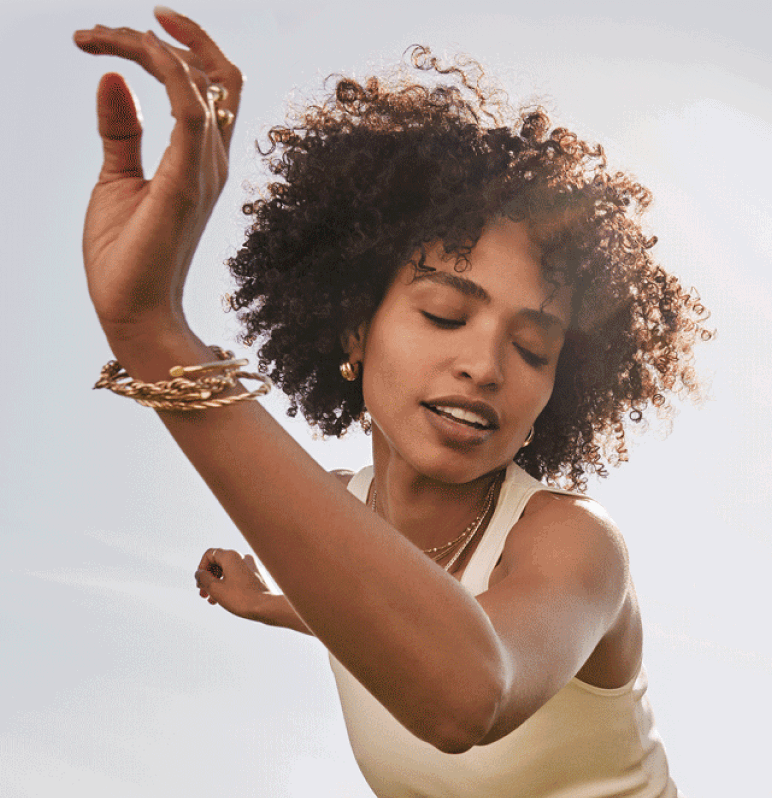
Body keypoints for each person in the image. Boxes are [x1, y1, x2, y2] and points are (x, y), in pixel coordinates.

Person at [74, 8, 709, 797]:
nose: (484, 365)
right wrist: (271, 604)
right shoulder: (341, 512)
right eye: (445, 313)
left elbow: (469, 692)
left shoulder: (576, 547)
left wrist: (151, 332)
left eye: (533, 348)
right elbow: (371, 621)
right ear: (353, 330)